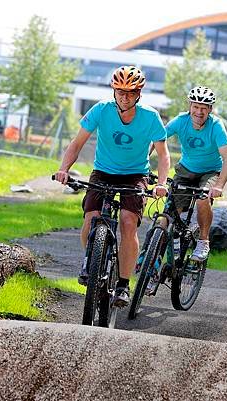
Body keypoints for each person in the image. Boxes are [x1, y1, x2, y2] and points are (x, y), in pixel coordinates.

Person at [54, 65, 170, 307]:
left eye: (130, 92)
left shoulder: (150, 117)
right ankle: (91, 261)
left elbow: (163, 155)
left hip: (134, 174)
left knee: (128, 223)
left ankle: (123, 284)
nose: (124, 97)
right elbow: (76, 144)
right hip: (103, 172)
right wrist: (64, 169)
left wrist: (160, 183)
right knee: (91, 217)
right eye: (120, 91)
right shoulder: (101, 110)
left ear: (139, 94)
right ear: (114, 91)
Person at [163, 86, 227, 262]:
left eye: (204, 108)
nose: (199, 112)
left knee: (203, 198)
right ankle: (169, 245)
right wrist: (144, 162)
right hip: (186, 169)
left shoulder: (216, 126)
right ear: (190, 106)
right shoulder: (180, 121)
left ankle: (203, 241)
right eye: (195, 107)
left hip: (210, 172)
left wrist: (218, 186)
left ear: (210, 109)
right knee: (171, 213)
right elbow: (158, 138)